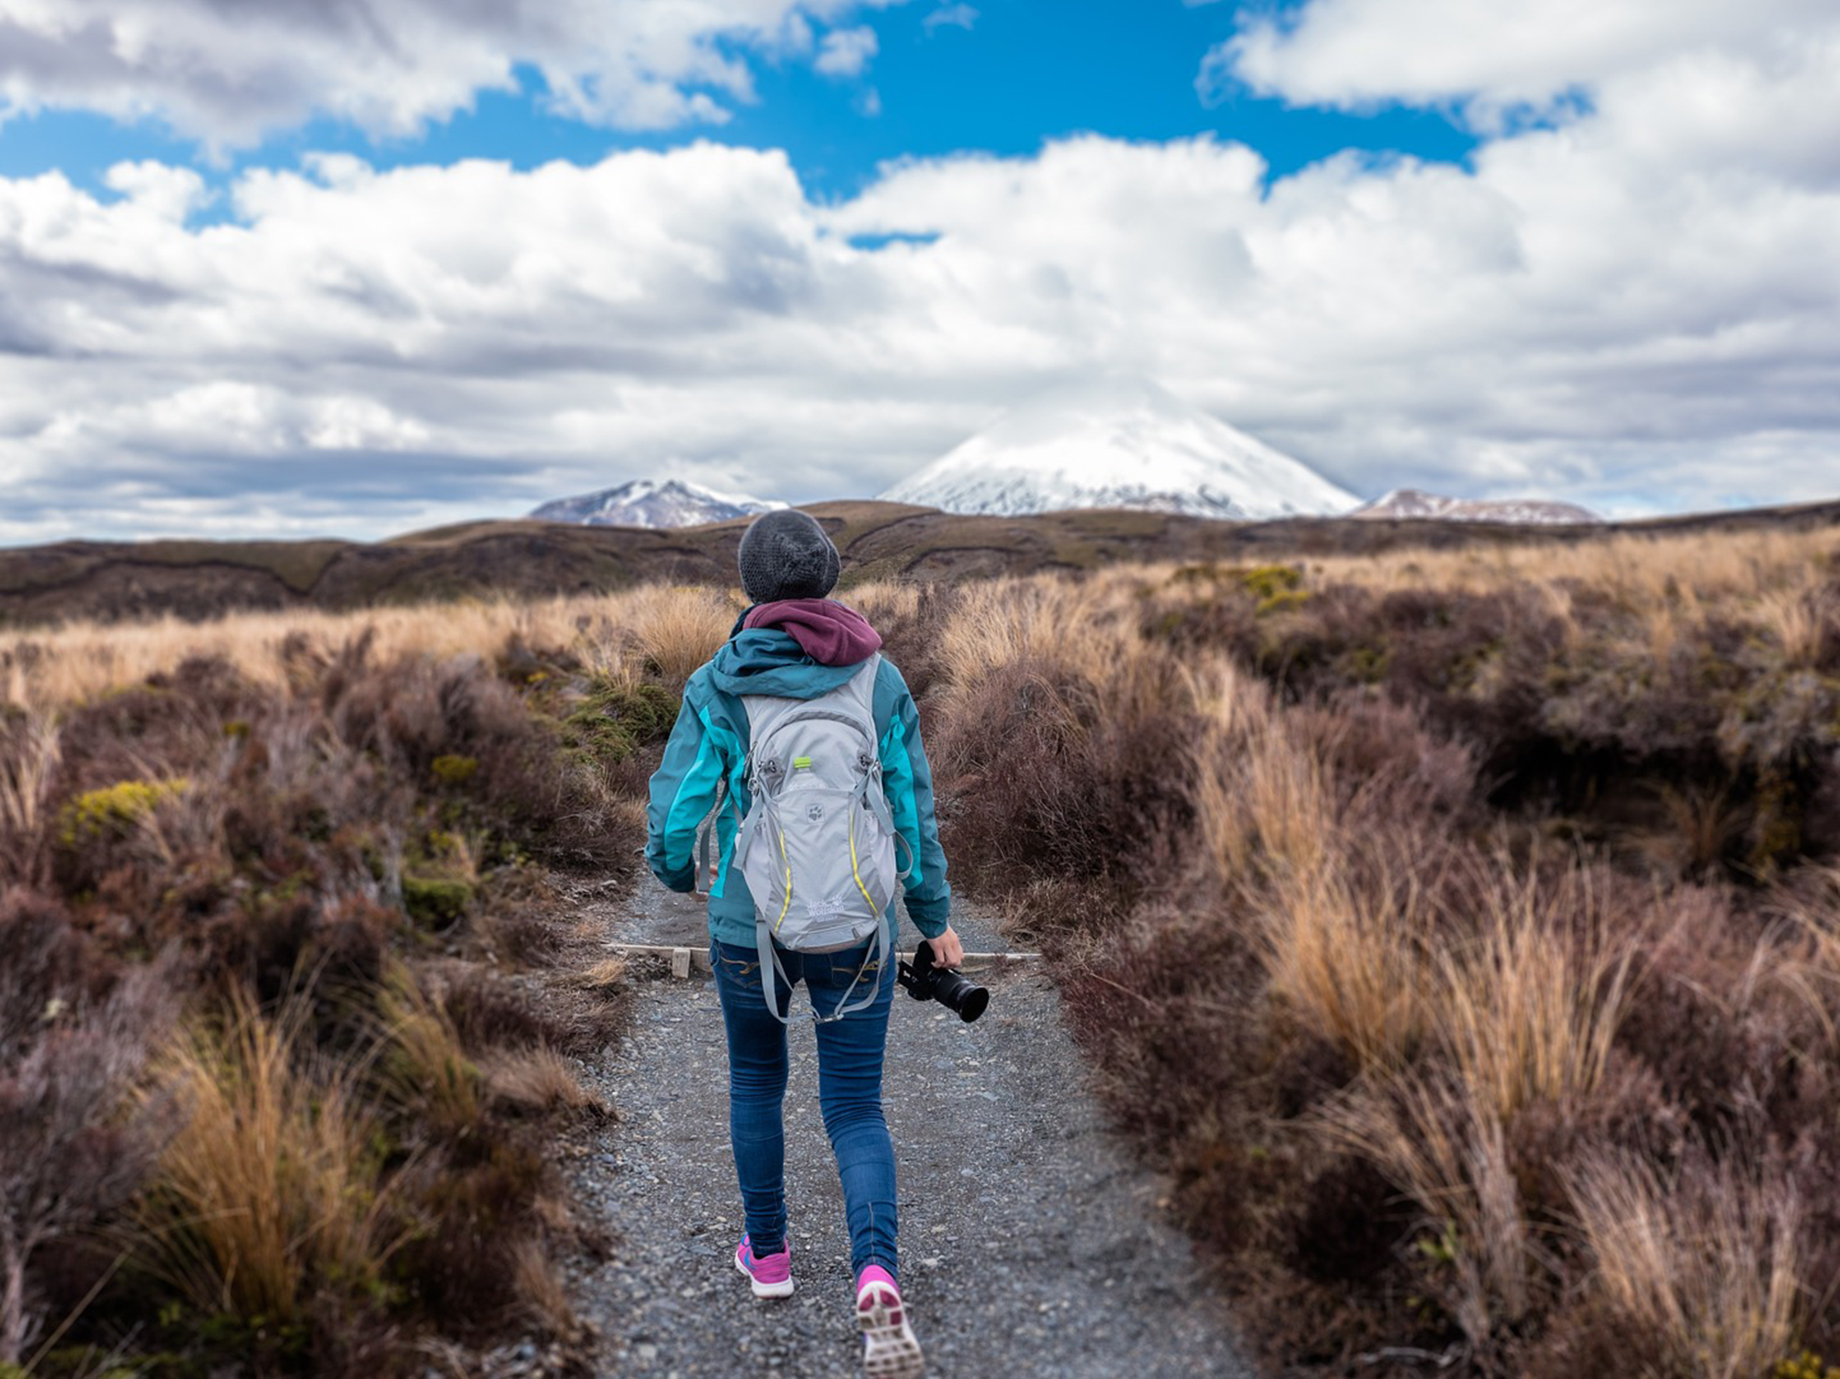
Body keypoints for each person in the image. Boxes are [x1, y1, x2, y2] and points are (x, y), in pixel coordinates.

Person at [645, 508, 959, 1379]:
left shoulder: (718, 682)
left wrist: (682, 879)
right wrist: (932, 918)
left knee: (756, 1079)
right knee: (855, 1104)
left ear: (753, 586)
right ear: (825, 578)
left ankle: (771, 1257)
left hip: (752, 926)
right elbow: (911, 813)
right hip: (860, 925)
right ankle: (874, 1271)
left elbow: (678, 818)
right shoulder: (881, 678)